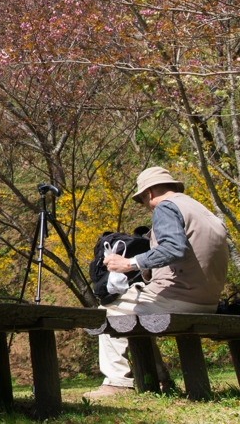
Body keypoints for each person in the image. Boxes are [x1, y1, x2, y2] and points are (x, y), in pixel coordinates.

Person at [83, 166, 229, 398]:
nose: (146, 205)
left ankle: (117, 383)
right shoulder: (203, 212)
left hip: (180, 298)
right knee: (135, 314)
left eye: (142, 201)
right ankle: (160, 380)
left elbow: (174, 248)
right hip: (208, 302)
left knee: (108, 311)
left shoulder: (165, 208)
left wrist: (129, 263)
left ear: (149, 193)